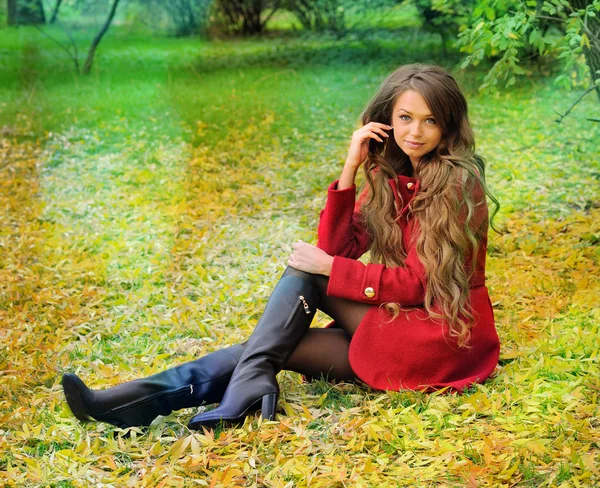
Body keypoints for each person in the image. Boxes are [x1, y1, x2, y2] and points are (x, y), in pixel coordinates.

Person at [61, 63, 500, 431]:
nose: (415, 132)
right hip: (399, 330)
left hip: (439, 336)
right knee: (269, 349)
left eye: (429, 120)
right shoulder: (390, 175)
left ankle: (243, 388)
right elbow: (336, 247)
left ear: (448, 124)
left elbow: (417, 284)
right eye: (405, 118)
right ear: (386, 120)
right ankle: (127, 403)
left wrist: (327, 266)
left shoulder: (457, 184)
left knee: (306, 277)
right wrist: (350, 167)